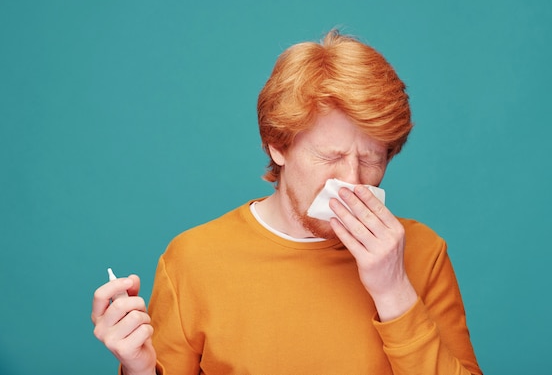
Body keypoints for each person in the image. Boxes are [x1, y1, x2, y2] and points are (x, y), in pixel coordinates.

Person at [92, 30, 482, 375]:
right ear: (277, 146)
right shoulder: (192, 261)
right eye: (329, 157)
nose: (352, 181)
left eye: (370, 159)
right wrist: (139, 371)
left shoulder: (422, 253)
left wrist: (394, 289)